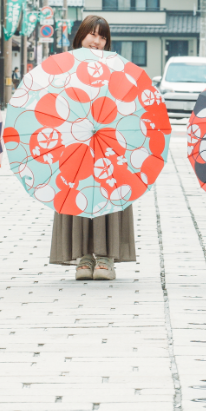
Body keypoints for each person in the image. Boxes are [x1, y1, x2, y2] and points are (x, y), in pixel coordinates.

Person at [50, 15, 135, 281]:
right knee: (78, 193)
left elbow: (126, 103)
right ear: (81, 36)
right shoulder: (64, 67)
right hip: (75, 142)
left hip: (107, 143)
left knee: (108, 194)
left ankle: (106, 258)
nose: (97, 41)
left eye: (103, 37)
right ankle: (83, 257)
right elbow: (55, 103)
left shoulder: (116, 67)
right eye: (93, 34)